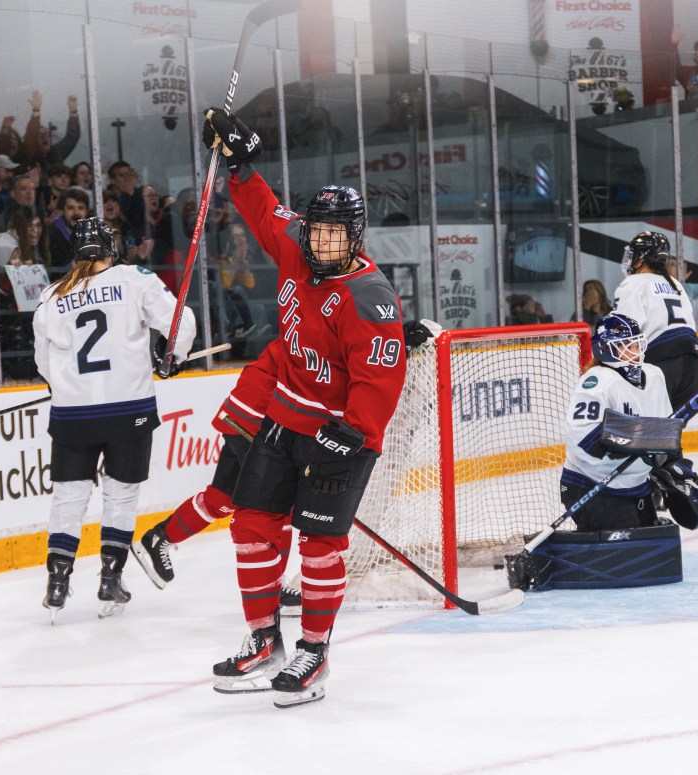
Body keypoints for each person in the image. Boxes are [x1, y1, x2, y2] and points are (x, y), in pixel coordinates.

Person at [202, 107, 407, 708]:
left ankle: (313, 651)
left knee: (320, 546)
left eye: (332, 235)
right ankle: (265, 640)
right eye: (315, 232)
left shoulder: (369, 296)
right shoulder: (298, 244)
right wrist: (239, 166)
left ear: (355, 238)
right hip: (283, 419)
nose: (320, 242)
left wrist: (357, 430)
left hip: (341, 435)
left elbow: (380, 377)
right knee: (251, 525)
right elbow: (266, 212)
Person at [33, 217, 197, 622]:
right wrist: (170, 357)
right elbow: (181, 322)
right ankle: (110, 577)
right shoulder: (134, 278)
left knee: (68, 499)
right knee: (120, 496)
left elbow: (43, 362)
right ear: (112, 248)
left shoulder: (52, 295)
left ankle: (57, 582)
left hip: (72, 414)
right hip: (129, 411)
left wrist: (66, 389)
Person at [132, 338, 303, 614]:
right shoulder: (322, 333)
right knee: (279, 506)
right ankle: (274, 586)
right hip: (258, 417)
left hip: (242, 412)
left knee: (222, 497)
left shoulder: (310, 319)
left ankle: (159, 538)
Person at [561, 313, 670, 531]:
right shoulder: (597, 382)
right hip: (592, 484)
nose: (636, 352)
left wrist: (675, 470)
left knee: (649, 547)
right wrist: (628, 443)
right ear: (604, 349)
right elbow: (581, 439)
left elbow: (665, 431)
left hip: (636, 485)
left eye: (637, 344)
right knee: (627, 553)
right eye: (626, 346)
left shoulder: (655, 376)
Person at [612, 231, 698, 409]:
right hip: (694, 367)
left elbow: (623, 335)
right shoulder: (676, 285)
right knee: (670, 432)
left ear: (642, 258)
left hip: (660, 367)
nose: (630, 259)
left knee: (646, 431)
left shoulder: (632, 284)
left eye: (633, 254)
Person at [48, 188, 90, 267]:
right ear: (62, 211)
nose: (76, 213)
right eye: (70, 208)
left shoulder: (91, 233)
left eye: (80, 208)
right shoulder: (53, 233)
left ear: (86, 212)